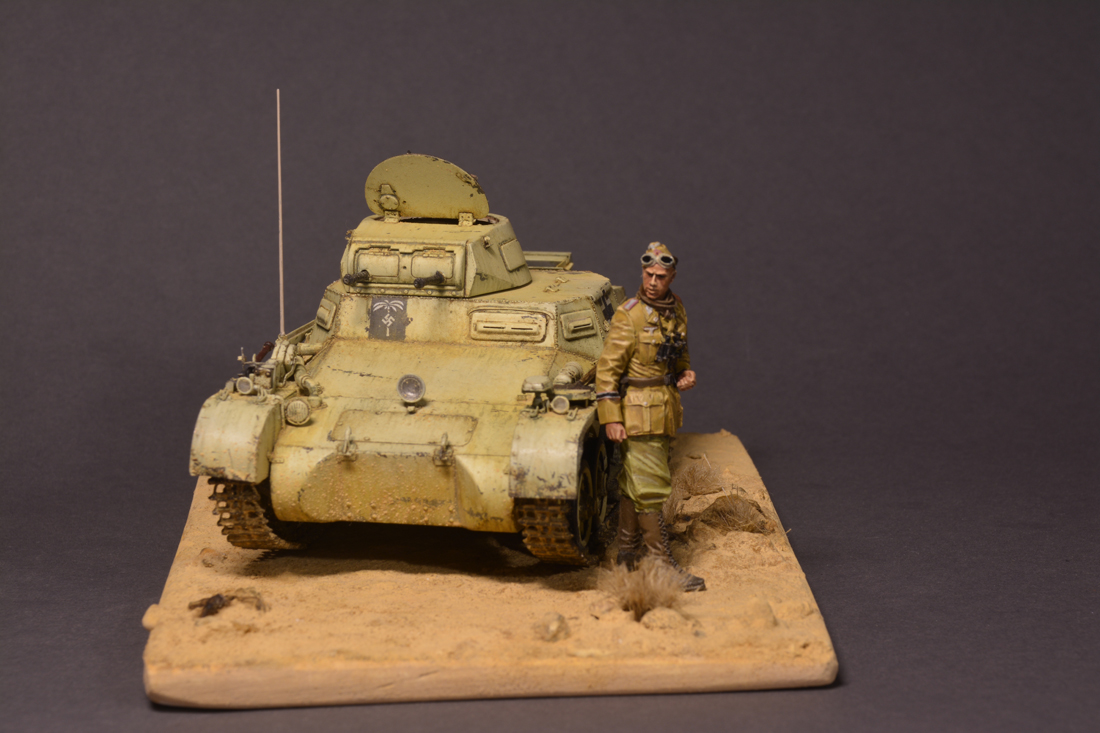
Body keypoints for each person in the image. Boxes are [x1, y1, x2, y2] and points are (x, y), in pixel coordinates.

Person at [595, 242, 706, 592]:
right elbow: (607, 371)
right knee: (652, 488)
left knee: (634, 485)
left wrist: (685, 372)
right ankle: (660, 565)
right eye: (648, 274)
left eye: (660, 276)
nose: (653, 281)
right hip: (638, 412)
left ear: (671, 276)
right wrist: (611, 418)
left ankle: (627, 554)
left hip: (665, 408)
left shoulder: (676, 309)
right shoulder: (629, 315)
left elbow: (679, 351)